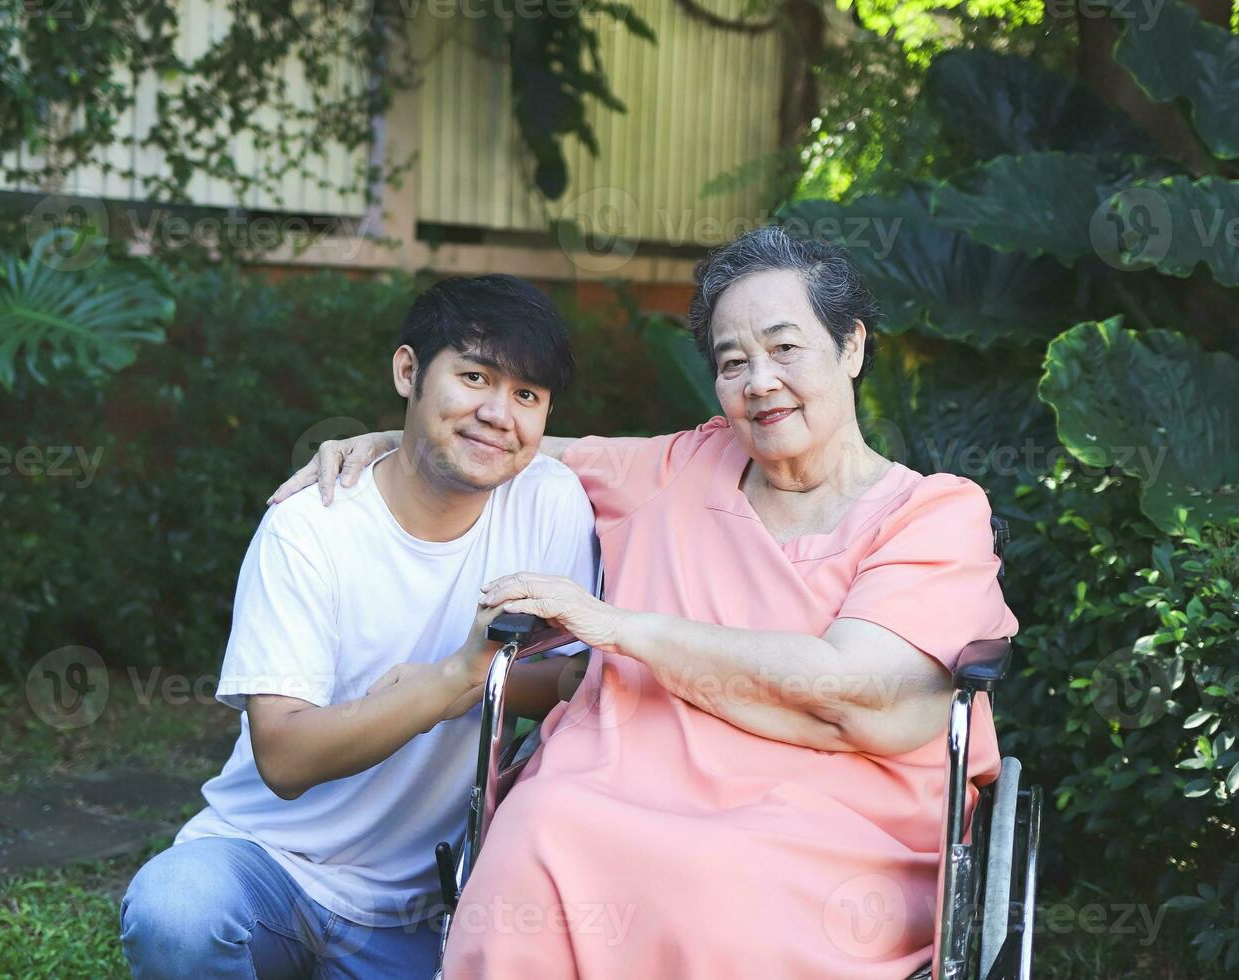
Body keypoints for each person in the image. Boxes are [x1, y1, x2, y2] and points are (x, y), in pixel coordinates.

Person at [270, 227, 1018, 978]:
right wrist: (387, 441)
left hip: (837, 821)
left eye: (785, 349)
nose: (759, 381)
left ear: (850, 347)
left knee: (719, 871)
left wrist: (621, 629)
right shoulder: (680, 468)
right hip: (627, 778)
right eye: (732, 362)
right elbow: (523, 444)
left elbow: (855, 690)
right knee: (536, 824)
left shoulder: (930, 513)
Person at [120, 274, 599, 979]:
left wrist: (487, 680)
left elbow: (577, 684)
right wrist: (452, 680)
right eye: (474, 376)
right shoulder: (310, 527)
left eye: (526, 395)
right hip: (269, 869)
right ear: (409, 372)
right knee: (177, 910)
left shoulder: (550, 504)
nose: (499, 413)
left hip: (420, 908)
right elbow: (282, 756)